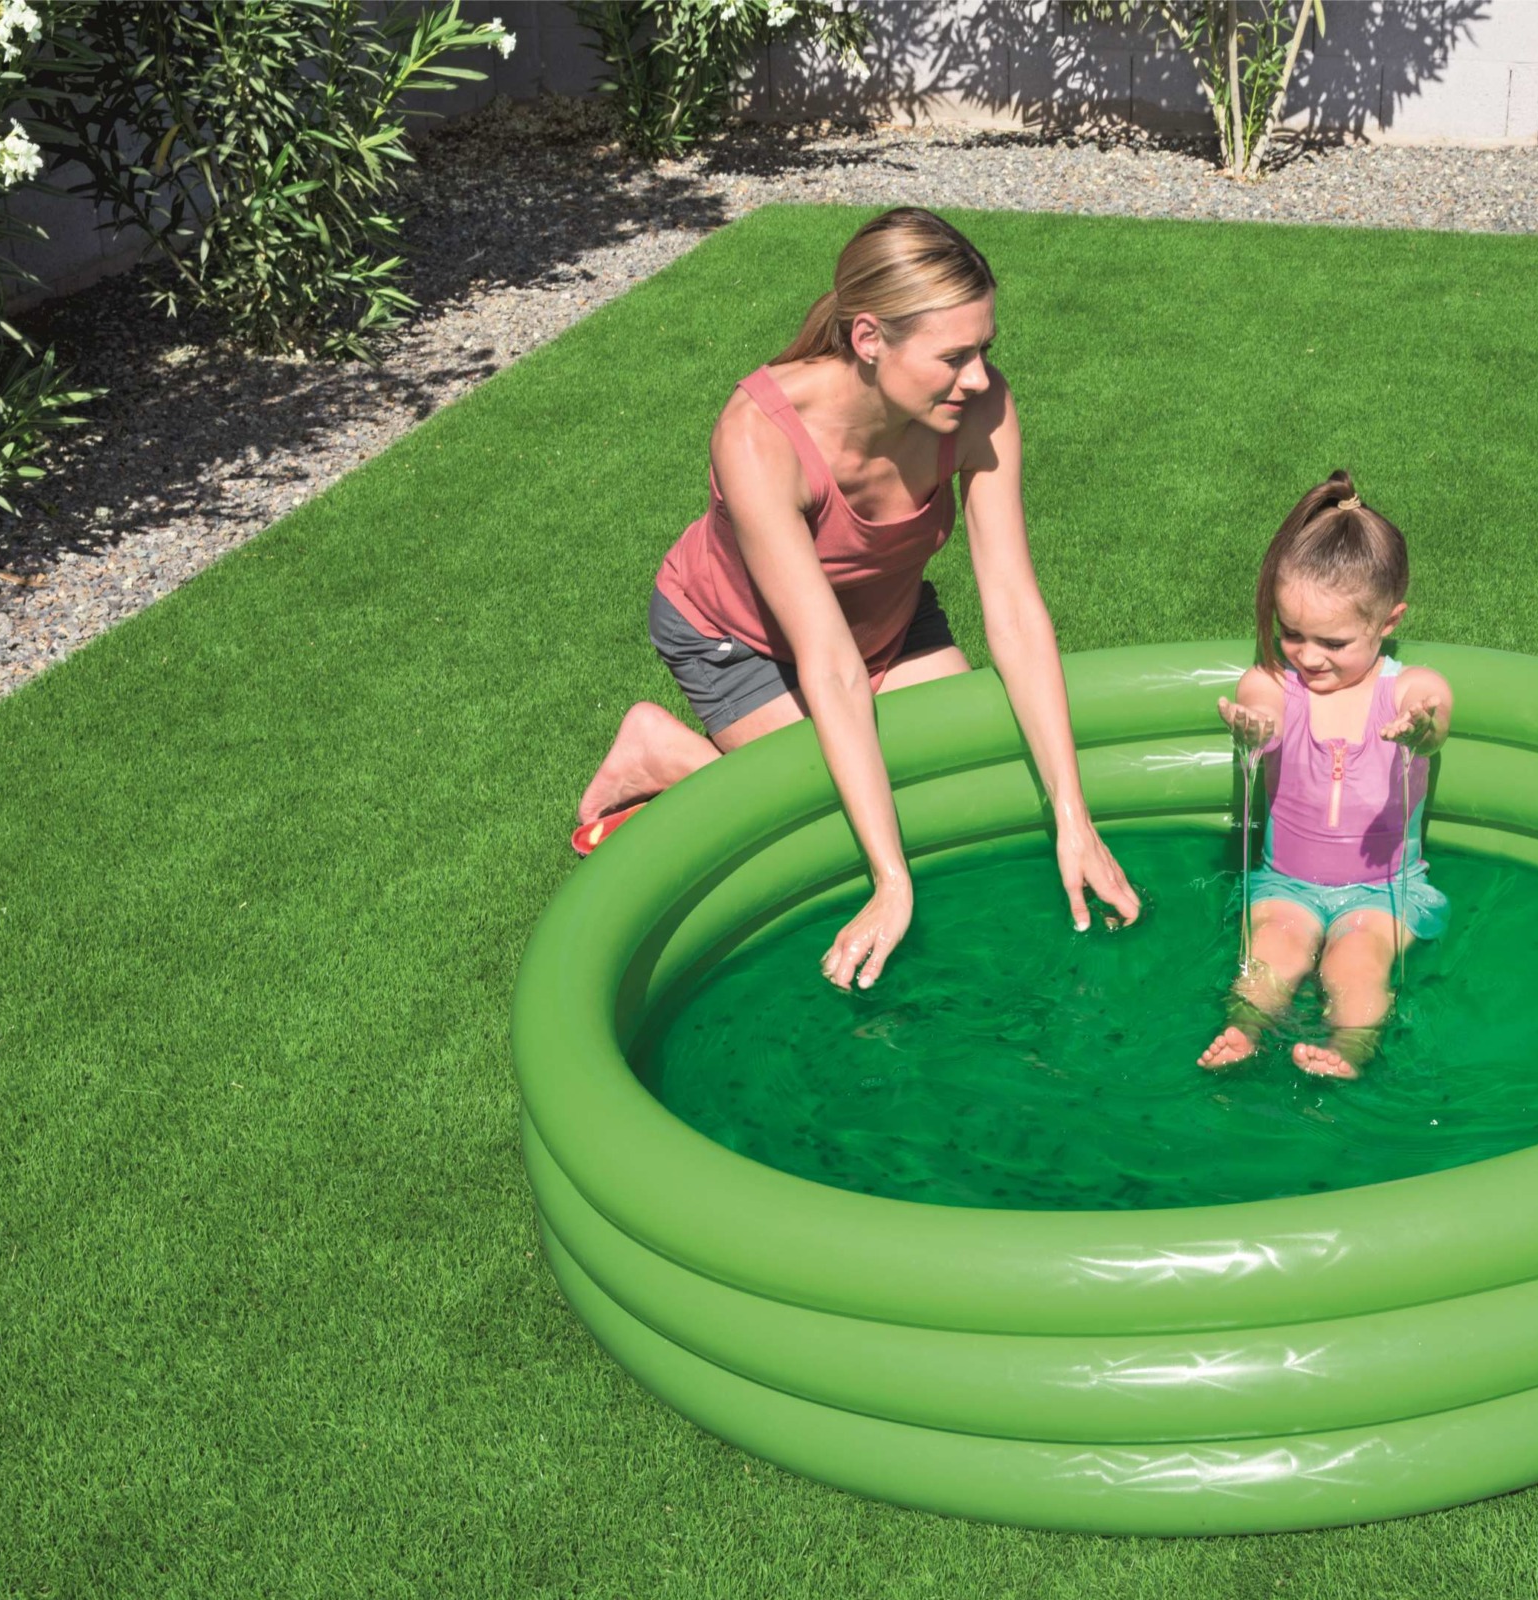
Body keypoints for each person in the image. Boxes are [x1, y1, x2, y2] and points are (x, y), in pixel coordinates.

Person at [574, 206, 1140, 989]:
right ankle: (662, 752)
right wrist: (889, 879)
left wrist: (1075, 819)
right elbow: (828, 662)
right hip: (741, 642)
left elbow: (1012, 607)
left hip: (889, 619)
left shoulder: (977, 408)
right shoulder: (760, 435)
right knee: (827, 819)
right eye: (954, 356)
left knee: (968, 782)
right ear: (869, 339)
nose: (980, 377)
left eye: (985, 348)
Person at [1198, 472, 1453, 1079]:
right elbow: (1263, 708)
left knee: (1357, 962)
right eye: (1291, 634)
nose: (1309, 656)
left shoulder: (1406, 690)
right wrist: (1255, 728)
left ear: (1388, 621)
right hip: (1285, 883)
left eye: (1333, 642)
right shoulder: (1273, 683)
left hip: (1384, 890)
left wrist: (1422, 728)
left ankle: (1350, 1049)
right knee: (1271, 952)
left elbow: (1434, 715)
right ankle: (1244, 1030)